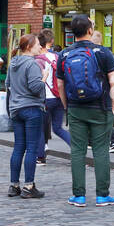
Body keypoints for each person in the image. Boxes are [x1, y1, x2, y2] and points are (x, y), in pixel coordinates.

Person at [56, 14, 114, 207]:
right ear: (90, 30)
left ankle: (79, 196)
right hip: (100, 107)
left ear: (73, 33)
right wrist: (113, 106)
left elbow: (60, 85)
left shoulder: (64, 54)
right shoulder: (103, 52)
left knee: (77, 150)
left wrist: (67, 106)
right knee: (101, 149)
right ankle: (102, 195)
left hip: (76, 107)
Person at [6, 34, 48, 199]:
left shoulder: (13, 63)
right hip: (31, 108)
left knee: (18, 147)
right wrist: (44, 77)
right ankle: (29, 186)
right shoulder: (32, 64)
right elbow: (36, 87)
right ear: (29, 47)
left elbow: (8, 85)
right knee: (31, 148)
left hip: (16, 109)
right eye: (38, 44)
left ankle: (14, 185)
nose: (40, 47)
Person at [36, 29, 69, 160]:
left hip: (44, 98)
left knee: (39, 129)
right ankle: (77, 148)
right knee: (58, 128)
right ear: (52, 41)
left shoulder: (38, 60)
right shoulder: (57, 57)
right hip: (58, 96)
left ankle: (40, 157)